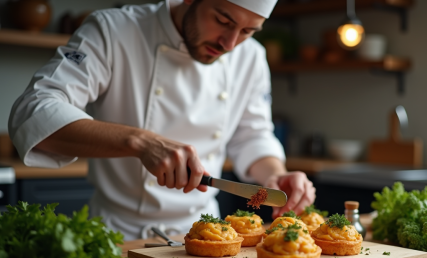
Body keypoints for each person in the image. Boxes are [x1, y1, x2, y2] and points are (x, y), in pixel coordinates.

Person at [9, 0, 316, 240]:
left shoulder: (250, 57)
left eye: (249, 31)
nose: (230, 44)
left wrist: (275, 175)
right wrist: (140, 141)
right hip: (117, 235)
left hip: (204, 232)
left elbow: (252, 136)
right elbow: (33, 111)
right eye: (223, 20)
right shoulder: (114, 30)